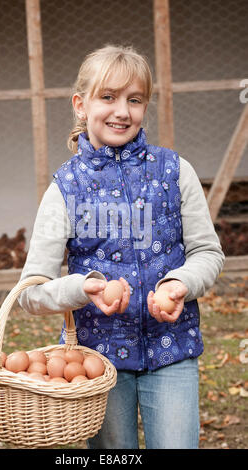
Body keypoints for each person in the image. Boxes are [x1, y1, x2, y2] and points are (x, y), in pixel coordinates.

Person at [18, 44, 225, 449]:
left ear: (145, 106)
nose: (122, 111)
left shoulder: (175, 171)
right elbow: (31, 292)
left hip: (173, 350)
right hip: (97, 362)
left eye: (134, 100)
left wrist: (180, 282)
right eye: (108, 97)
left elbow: (208, 253)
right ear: (81, 105)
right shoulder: (65, 189)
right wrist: (83, 288)